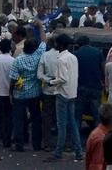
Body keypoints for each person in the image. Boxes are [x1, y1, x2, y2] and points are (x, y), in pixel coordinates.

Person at [49, 33, 84, 161]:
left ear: (60, 45)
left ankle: (58, 151)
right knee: (72, 122)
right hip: (72, 93)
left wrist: (51, 82)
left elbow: (62, 79)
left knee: (61, 124)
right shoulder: (73, 57)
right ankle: (78, 151)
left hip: (62, 93)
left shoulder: (61, 60)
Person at [10, 37, 45, 152]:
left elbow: (13, 79)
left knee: (19, 120)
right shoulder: (38, 56)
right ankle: (36, 144)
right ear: (34, 48)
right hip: (35, 93)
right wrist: (40, 28)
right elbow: (44, 43)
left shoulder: (18, 60)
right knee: (36, 119)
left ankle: (19, 144)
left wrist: (10, 93)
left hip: (19, 94)